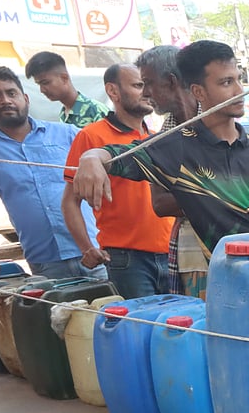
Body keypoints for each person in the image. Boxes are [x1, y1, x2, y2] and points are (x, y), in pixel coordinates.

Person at [71, 40, 249, 298]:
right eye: (226, 83)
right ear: (198, 92)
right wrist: (91, 157)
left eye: (238, 79)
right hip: (233, 284)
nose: (239, 90)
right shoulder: (176, 147)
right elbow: (121, 155)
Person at [0, 66, 104, 280]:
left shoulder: (67, 134)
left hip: (95, 250)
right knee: (60, 313)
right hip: (45, 260)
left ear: (25, 98)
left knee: (110, 310)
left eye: (11, 93)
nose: (5, 101)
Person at [61, 64, 174, 298]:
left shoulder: (156, 136)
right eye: (138, 85)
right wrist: (87, 248)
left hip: (172, 252)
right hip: (128, 259)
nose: (146, 92)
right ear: (113, 91)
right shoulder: (91, 136)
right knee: (140, 327)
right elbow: (71, 201)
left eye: (148, 85)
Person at [134, 44, 207, 297]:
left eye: (148, 83)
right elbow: (161, 204)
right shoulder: (162, 139)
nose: (144, 93)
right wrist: (219, 193)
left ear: (171, 81)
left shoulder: (218, 119)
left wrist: (186, 192)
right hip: (189, 254)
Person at [24, 51, 107, 128]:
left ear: (64, 78)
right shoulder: (63, 115)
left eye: (45, 83)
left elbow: (114, 143)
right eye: (39, 84)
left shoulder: (95, 110)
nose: (42, 90)